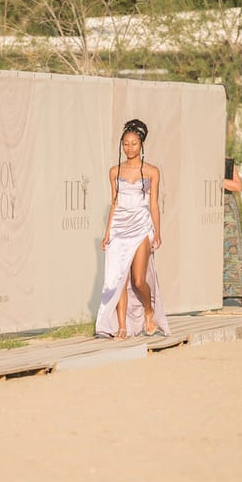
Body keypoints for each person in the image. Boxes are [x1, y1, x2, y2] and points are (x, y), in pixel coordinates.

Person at [95, 119, 171, 339]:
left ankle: (149, 310)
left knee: (138, 280)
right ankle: (121, 327)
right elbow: (115, 202)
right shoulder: (114, 171)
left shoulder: (151, 172)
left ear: (141, 145)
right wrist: (108, 232)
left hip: (141, 226)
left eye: (134, 144)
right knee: (118, 279)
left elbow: (153, 204)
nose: (129, 148)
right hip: (119, 228)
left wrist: (157, 231)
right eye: (126, 144)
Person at [222, 157, 242, 307]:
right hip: (206, 206)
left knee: (234, 250)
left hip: (227, 207)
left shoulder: (227, 161)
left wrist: (218, 181)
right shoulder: (198, 159)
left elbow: (237, 186)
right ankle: (215, 293)